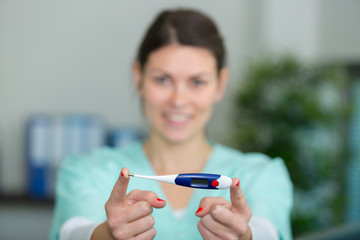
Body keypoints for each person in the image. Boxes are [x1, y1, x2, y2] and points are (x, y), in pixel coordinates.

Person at [49, 8, 293, 240]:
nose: (178, 100)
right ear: (139, 78)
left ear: (220, 84)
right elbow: (71, 231)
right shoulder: (87, 172)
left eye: (197, 82)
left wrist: (245, 236)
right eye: (163, 79)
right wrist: (104, 236)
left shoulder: (261, 175)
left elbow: (268, 233)